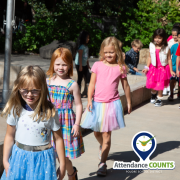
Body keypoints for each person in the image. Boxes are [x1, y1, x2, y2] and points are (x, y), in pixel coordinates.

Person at [0, 66, 66, 180]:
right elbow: (10, 136)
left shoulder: (50, 112)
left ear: (43, 88)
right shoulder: (15, 109)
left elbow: (58, 139)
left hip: (44, 161)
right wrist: (5, 161)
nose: (29, 94)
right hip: (19, 159)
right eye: (24, 90)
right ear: (18, 88)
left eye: (35, 90)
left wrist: (63, 164)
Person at [81, 37, 132, 176]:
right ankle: (102, 146)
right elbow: (91, 84)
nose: (108, 55)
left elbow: (125, 85)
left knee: (106, 135)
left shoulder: (120, 68)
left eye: (112, 52)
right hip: (97, 103)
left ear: (117, 52)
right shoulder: (97, 65)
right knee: (97, 133)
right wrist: (89, 99)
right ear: (102, 51)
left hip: (112, 104)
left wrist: (128, 101)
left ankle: (102, 164)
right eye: (106, 52)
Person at [46, 48, 85, 180]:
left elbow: (79, 104)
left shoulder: (72, 84)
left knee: (63, 155)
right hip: (50, 121)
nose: (60, 67)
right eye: (57, 64)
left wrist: (77, 124)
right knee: (52, 152)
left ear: (69, 66)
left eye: (64, 64)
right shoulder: (47, 81)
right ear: (52, 64)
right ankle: (67, 173)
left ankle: (70, 173)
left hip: (66, 122)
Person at [142, 28, 175, 107]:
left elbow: (169, 59)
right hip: (153, 68)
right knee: (151, 83)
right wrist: (146, 67)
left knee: (160, 85)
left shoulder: (166, 48)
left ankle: (159, 99)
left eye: (159, 38)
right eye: (156, 37)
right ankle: (153, 94)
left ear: (163, 38)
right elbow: (149, 57)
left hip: (162, 68)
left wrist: (171, 70)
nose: (157, 39)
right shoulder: (152, 46)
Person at [75, 30, 91, 97]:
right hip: (79, 64)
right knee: (80, 78)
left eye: (88, 38)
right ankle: (78, 93)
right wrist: (80, 66)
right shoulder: (81, 47)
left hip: (84, 65)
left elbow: (86, 57)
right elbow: (80, 57)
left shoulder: (86, 47)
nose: (88, 39)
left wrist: (88, 65)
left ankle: (87, 92)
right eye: (87, 38)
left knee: (88, 77)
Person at [168, 30, 180, 101]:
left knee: (179, 81)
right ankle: (171, 93)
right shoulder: (174, 46)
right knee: (172, 80)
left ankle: (179, 93)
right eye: (179, 37)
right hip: (173, 66)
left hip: (179, 67)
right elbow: (169, 55)